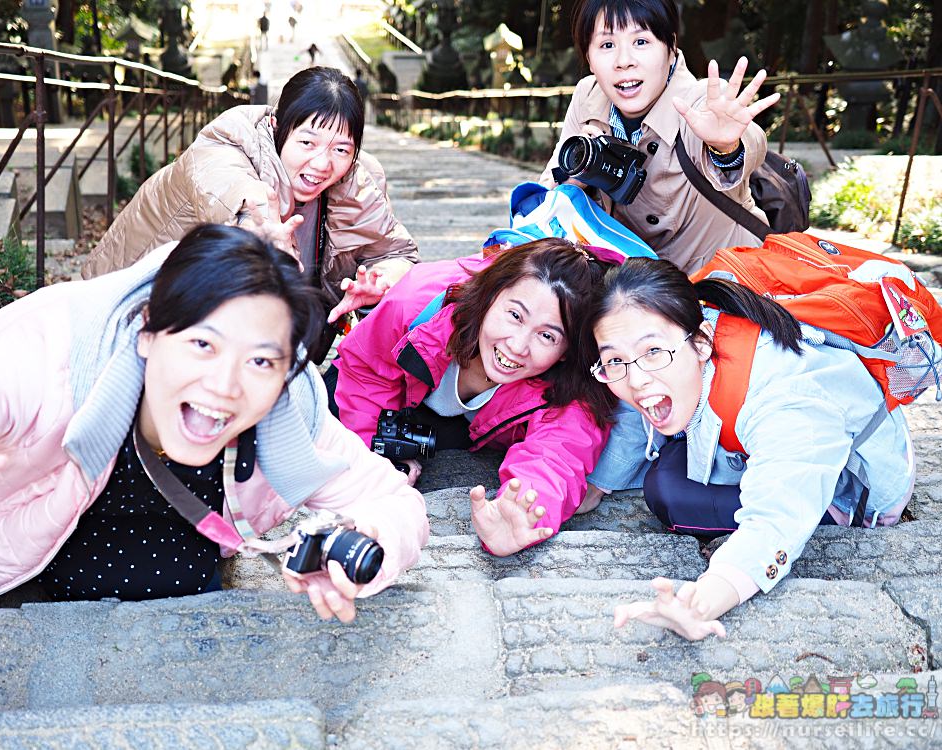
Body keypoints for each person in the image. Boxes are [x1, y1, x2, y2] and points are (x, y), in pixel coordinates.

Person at [0, 224, 429, 621]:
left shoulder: (288, 415)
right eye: (203, 345)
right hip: (25, 584)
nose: (225, 385)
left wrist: (364, 540)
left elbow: (395, 503)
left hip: (192, 601)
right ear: (149, 331)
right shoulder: (48, 362)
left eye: (260, 362)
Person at [587, 258, 914, 640]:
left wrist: (702, 602)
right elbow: (632, 397)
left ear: (702, 342)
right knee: (666, 468)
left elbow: (775, 520)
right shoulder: (683, 328)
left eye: (653, 353)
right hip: (783, 433)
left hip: (855, 485)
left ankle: (832, 514)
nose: (637, 378)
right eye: (614, 360)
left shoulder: (787, 402)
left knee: (669, 495)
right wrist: (594, 486)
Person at [82, 66, 418, 363]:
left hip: (247, 342)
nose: (322, 163)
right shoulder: (225, 144)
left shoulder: (360, 181)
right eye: (307, 143)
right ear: (277, 126)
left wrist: (381, 279)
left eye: (341, 149)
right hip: (125, 319)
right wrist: (260, 229)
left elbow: (397, 252)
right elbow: (233, 189)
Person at [326, 238, 616, 556]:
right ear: (491, 296)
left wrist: (524, 511)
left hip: (470, 426)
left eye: (547, 336)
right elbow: (366, 370)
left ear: (566, 351)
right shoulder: (416, 304)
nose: (518, 346)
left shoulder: (571, 387)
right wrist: (376, 459)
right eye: (515, 316)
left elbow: (556, 457)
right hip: (389, 390)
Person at [540, 0, 781, 272]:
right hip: (635, 287)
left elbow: (750, 144)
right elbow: (548, 192)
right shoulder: (589, 95)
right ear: (588, 58)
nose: (624, 61)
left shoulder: (699, 101)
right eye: (607, 45)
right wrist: (576, 175)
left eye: (641, 41)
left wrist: (725, 146)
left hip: (722, 283)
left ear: (670, 49)